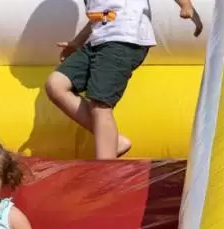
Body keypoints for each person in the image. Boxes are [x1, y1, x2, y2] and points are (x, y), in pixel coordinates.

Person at [44, 0, 203, 159]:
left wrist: (186, 6)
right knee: (56, 84)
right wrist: (77, 42)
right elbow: (100, 16)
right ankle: (116, 142)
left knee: (100, 105)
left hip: (124, 39)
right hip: (98, 41)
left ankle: (105, 166)